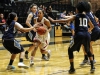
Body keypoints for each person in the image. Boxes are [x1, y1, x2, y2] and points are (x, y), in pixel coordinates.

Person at [48, 1, 95, 73]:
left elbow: (65, 20)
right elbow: (92, 26)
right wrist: (87, 31)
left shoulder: (76, 16)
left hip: (79, 35)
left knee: (70, 50)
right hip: (87, 35)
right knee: (88, 50)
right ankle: (92, 67)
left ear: (78, 9)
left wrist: (54, 21)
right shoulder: (87, 17)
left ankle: (72, 68)